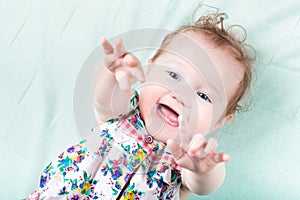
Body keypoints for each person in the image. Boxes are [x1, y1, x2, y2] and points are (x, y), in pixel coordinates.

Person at [28, 12, 253, 199]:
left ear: (220, 121)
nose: (181, 95)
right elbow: (104, 99)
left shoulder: (183, 160)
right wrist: (114, 73)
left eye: (203, 95)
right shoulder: (124, 113)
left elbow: (203, 185)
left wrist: (205, 169)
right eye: (173, 75)